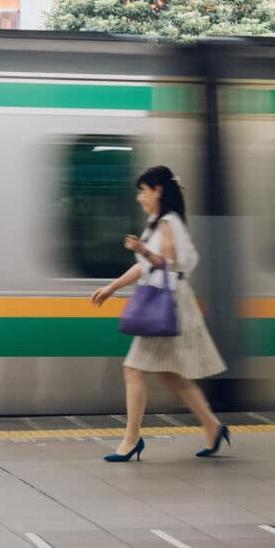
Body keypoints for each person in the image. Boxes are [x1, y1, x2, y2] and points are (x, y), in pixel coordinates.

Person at [91, 165, 229, 462]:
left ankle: (131, 440)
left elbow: (166, 262)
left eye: (143, 190)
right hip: (171, 300)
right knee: (171, 375)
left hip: (168, 303)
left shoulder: (167, 222)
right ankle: (213, 427)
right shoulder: (158, 222)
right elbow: (146, 266)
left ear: (158, 190)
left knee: (133, 369)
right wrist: (112, 286)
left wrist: (142, 248)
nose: (140, 197)